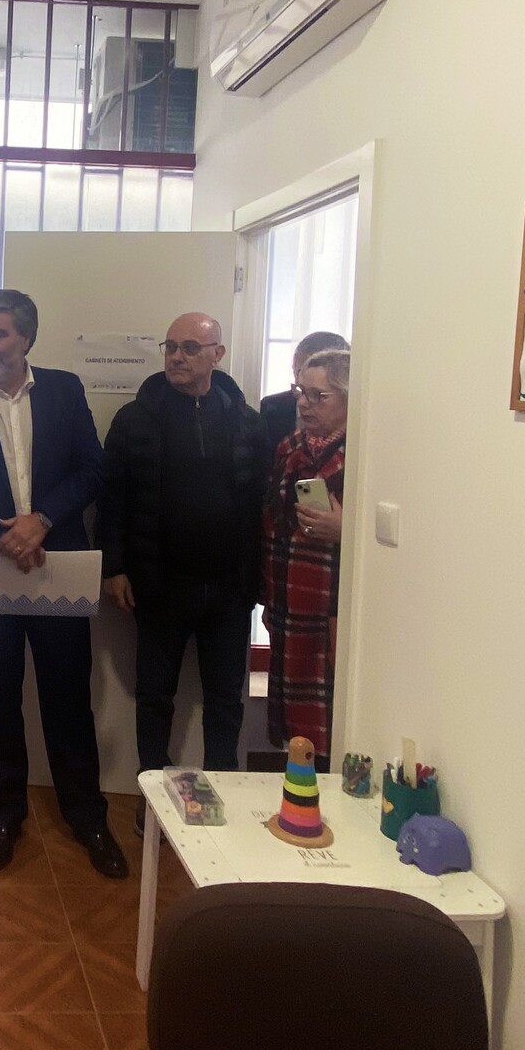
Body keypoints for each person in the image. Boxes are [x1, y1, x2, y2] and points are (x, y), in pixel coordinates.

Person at [0, 289, 127, 878]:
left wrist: (42, 521)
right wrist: (3, 537)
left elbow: (93, 469)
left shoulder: (64, 390)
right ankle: (5, 815)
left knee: (68, 698)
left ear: (26, 338)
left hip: (56, 568)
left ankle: (87, 816)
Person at [98, 312, 269, 832]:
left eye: (191, 347)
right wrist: (115, 567)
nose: (177, 356)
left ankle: (224, 789)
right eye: (171, 346)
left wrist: (258, 580)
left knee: (225, 700)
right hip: (158, 585)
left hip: (229, 589)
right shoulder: (135, 419)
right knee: (154, 698)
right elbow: (112, 500)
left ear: (217, 354)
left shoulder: (247, 421)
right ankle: (152, 795)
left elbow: (260, 507)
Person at [262, 347, 350, 768]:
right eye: (301, 391)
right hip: (287, 600)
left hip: (332, 611)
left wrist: (346, 531)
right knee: (296, 730)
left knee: (334, 720)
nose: (304, 403)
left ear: (350, 398)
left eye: (319, 396)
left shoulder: (366, 452)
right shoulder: (290, 446)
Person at [259, 330, 348, 460]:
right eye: (297, 372)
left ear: (346, 395)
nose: (301, 402)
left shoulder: (363, 449)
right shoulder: (290, 446)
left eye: (316, 394)